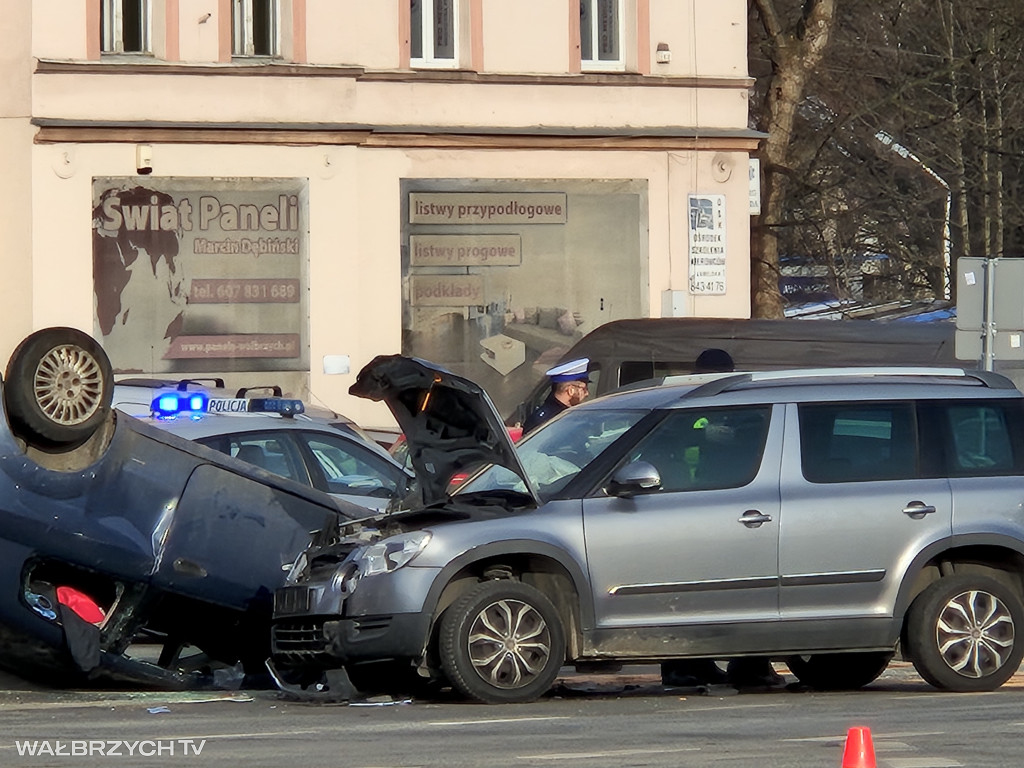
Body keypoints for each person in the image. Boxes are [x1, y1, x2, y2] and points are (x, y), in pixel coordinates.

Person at [660, 348, 785, 690]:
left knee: (735, 588)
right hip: (701, 505)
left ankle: (732, 664)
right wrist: (705, 435)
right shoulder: (690, 403)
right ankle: (693, 665)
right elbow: (672, 440)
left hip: (722, 504)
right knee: (709, 588)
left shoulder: (739, 405)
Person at [523, 357, 591, 433]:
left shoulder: (570, 413)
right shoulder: (545, 421)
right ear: (570, 390)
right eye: (584, 389)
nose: (587, 394)